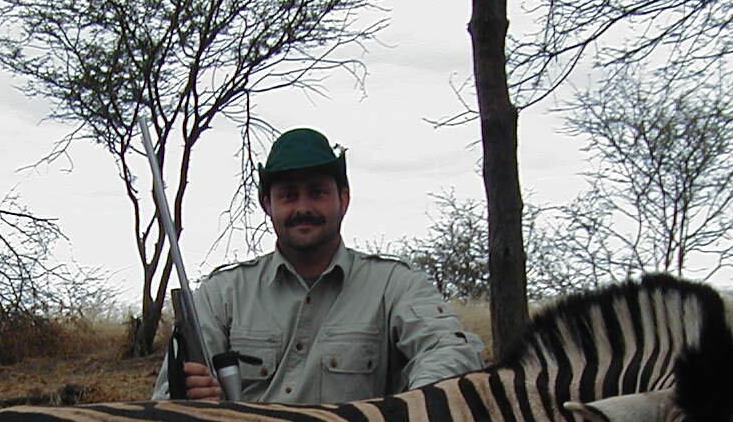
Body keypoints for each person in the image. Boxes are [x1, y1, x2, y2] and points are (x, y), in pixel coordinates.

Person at [152, 128, 484, 403]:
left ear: (344, 198)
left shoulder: (395, 284)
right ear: (267, 204)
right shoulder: (221, 293)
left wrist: (408, 411)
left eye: (317, 192)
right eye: (288, 195)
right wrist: (189, 400)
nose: (303, 208)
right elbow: (166, 398)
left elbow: (450, 349)